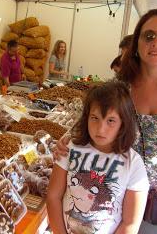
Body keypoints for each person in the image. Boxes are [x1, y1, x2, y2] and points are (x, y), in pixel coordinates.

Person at [53, 8, 157, 234]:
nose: (156, 43)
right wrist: (66, 141)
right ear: (138, 43)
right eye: (149, 36)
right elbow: (92, 119)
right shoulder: (121, 85)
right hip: (110, 193)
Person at [47, 80, 149, 234]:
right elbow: (53, 197)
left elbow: (130, 223)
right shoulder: (69, 149)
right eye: (95, 118)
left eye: (111, 121)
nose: (101, 129)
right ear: (86, 117)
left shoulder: (133, 164)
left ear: (123, 123)